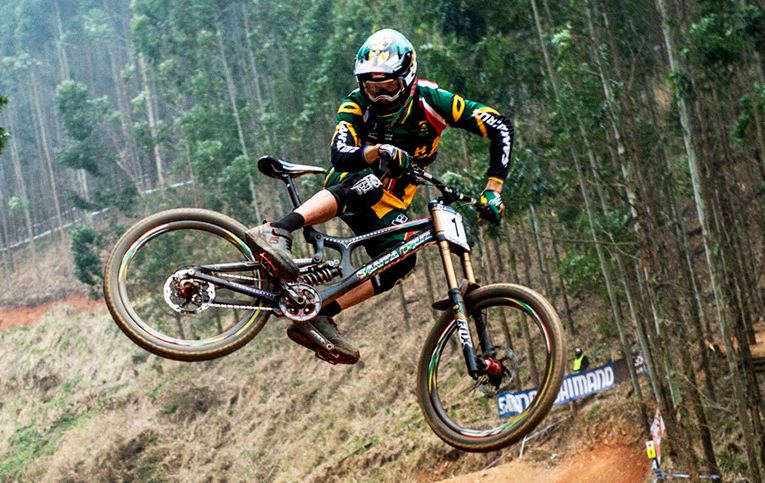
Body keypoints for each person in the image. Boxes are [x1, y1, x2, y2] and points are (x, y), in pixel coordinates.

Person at [246, 28, 514, 365]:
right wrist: (376, 151)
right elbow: (339, 154)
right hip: (350, 180)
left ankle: (320, 313)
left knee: (403, 259)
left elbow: (500, 127)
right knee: (369, 183)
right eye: (372, 88)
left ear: (408, 78)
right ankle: (278, 229)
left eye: (388, 87)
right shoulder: (355, 103)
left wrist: (493, 190)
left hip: (390, 203)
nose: (381, 96)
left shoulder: (433, 100)